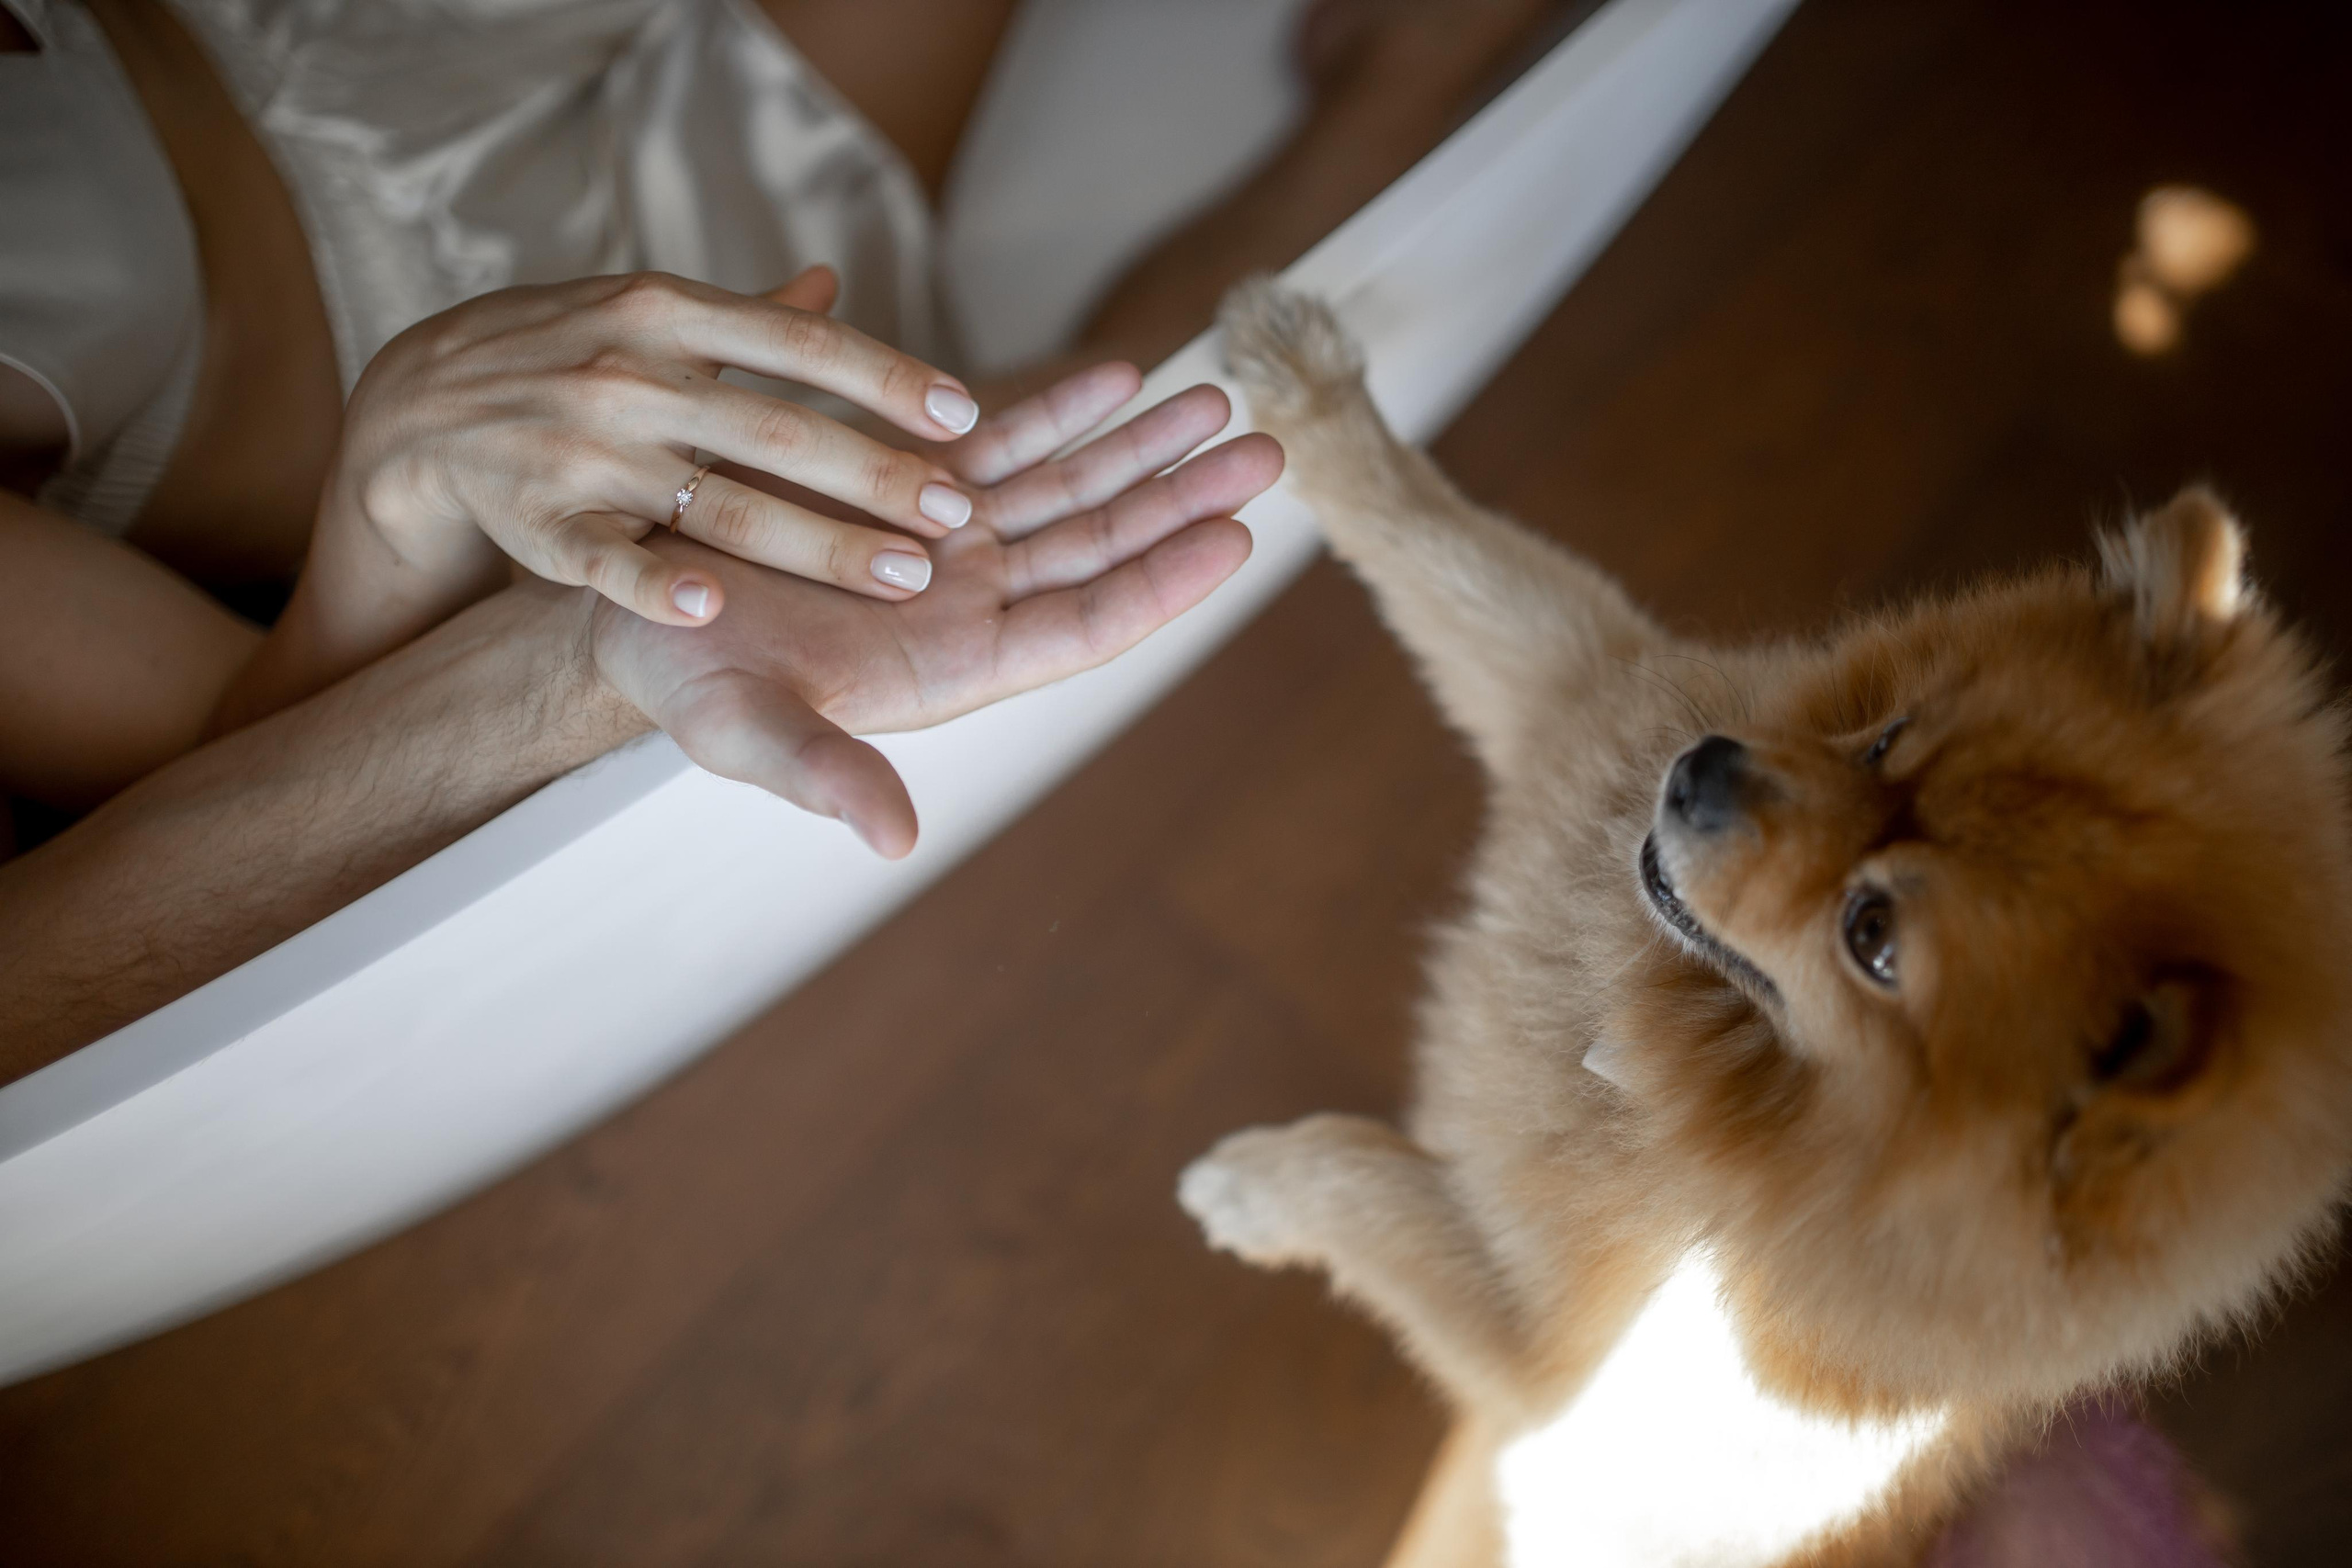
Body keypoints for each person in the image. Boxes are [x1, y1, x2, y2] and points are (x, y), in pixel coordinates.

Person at [0, 0, 1565, 1083]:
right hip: (517, 398)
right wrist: (388, 482)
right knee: (1059, 459)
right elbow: (229, 757)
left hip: (383, 45)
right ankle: (1405, 78)